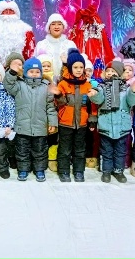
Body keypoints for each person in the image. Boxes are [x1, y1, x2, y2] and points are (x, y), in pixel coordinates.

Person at [3, 55, 58, 182]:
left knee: (40, 151)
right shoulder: (19, 85)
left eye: (37, 71)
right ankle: (23, 169)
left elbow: (50, 107)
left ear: (41, 73)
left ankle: (39, 170)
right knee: (22, 150)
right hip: (23, 127)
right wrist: (12, 72)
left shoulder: (46, 87)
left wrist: (52, 122)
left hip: (40, 127)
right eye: (31, 71)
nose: (34, 74)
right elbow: (8, 84)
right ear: (25, 72)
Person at [89, 59, 135, 183]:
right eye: (108, 71)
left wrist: (134, 92)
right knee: (106, 151)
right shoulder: (101, 87)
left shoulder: (126, 88)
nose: (110, 73)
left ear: (120, 73)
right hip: (106, 126)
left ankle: (118, 170)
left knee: (120, 151)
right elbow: (99, 99)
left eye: (113, 71)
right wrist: (94, 94)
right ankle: (106, 171)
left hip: (122, 126)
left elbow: (132, 101)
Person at [52, 49, 98, 183]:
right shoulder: (63, 83)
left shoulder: (87, 85)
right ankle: (64, 171)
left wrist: (92, 120)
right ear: (70, 68)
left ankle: (79, 171)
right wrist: (58, 95)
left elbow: (92, 105)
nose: (78, 70)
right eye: (75, 67)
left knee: (80, 149)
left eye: (81, 67)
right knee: (64, 149)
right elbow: (58, 104)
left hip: (82, 123)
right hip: (65, 123)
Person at [0, 0, 35, 65]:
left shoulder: (26, 31)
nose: (8, 13)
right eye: (5, 11)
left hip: (20, 69)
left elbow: (31, 54)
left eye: (11, 11)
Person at [34, 13, 76, 79]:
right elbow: (35, 65)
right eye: (53, 24)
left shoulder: (70, 45)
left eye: (59, 24)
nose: (56, 27)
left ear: (63, 27)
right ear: (49, 27)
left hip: (67, 81)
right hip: (45, 81)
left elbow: (76, 64)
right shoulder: (41, 44)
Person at [37, 53, 59, 172]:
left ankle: (52, 159)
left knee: (53, 138)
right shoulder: (37, 79)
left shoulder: (56, 79)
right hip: (40, 113)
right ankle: (41, 159)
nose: (46, 68)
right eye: (43, 66)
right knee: (41, 139)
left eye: (48, 66)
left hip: (53, 112)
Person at [3, 52, 25, 170]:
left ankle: (17, 157)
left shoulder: (24, 79)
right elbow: (9, 83)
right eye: (14, 64)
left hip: (21, 112)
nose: (17, 67)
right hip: (8, 113)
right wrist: (12, 73)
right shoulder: (7, 77)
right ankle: (10, 157)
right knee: (9, 137)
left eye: (20, 64)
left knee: (18, 138)